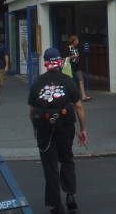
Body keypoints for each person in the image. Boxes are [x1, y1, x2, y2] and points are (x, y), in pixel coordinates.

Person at [29, 48, 87, 214]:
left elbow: (32, 111)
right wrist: (83, 129)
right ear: (59, 61)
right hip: (65, 126)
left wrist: (35, 128)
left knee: (50, 165)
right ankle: (70, 195)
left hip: (44, 128)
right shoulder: (68, 81)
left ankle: (56, 205)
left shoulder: (38, 82)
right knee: (67, 159)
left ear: (46, 62)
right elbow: (78, 107)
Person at [67, 36, 91, 102]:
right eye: (77, 40)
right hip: (70, 67)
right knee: (70, 82)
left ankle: (83, 96)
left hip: (77, 66)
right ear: (73, 41)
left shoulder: (76, 48)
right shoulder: (68, 48)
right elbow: (65, 58)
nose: (78, 42)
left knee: (81, 80)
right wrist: (74, 56)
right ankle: (69, 97)